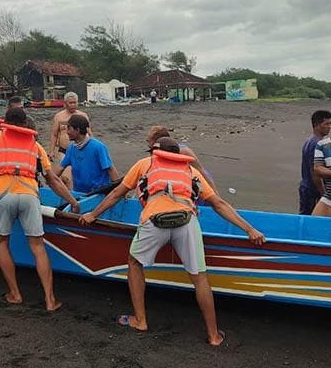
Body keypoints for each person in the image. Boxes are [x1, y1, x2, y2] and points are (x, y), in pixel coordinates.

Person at [79, 137, 266, 345]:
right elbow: (219, 204)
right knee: (200, 277)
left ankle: (140, 320)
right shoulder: (190, 172)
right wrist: (249, 229)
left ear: (156, 152)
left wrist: (93, 214)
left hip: (154, 220)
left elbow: (116, 194)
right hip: (186, 221)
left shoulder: (145, 164)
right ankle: (213, 335)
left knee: (134, 263)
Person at [0, 107, 79, 311]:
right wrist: (73, 201)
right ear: (25, 124)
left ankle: (15, 294)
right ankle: (50, 300)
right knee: (38, 247)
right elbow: (53, 180)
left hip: (2, 194)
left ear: (5, 122)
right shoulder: (35, 146)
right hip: (29, 196)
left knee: (1, 242)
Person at [53, 114, 119, 193]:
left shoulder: (98, 147)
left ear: (77, 130)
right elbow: (60, 167)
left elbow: (110, 169)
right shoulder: (72, 148)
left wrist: (119, 191)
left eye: (69, 129)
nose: (67, 132)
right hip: (80, 194)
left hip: (99, 194)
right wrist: (50, 179)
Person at [146, 125, 218, 193]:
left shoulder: (182, 151)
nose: (147, 141)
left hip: (199, 179)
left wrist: (216, 195)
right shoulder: (156, 151)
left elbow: (201, 171)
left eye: (149, 140)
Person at [299, 110, 331, 214]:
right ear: (316, 125)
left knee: (306, 215)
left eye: (330, 124)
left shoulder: (309, 141)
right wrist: (323, 192)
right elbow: (315, 172)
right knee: (311, 218)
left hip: (306, 186)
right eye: (326, 124)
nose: (329, 127)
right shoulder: (317, 144)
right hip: (312, 189)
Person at [49, 92, 90, 162]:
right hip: (64, 150)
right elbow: (54, 135)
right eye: (70, 103)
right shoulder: (59, 117)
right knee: (64, 170)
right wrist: (51, 151)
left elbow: (89, 134)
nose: (73, 105)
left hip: (81, 149)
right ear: (65, 104)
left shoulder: (83, 116)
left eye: (74, 103)